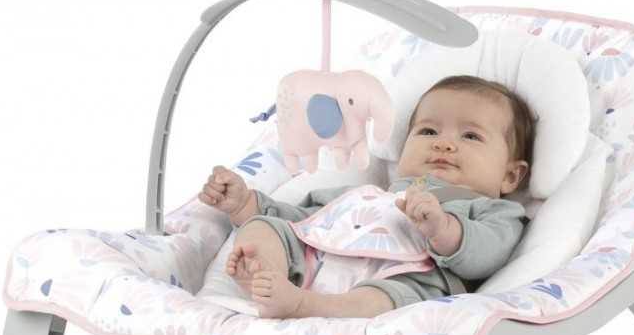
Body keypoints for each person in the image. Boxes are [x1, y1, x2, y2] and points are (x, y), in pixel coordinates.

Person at [198, 75, 536, 319]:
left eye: (471, 136)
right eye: (428, 131)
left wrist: (443, 228)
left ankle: (304, 305)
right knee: (264, 226)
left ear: (510, 175)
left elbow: (487, 254)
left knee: (392, 300)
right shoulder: (369, 195)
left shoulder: (494, 211)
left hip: (400, 279)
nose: (443, 144)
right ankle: (266, 277)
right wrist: (245, 204)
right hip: (317, 262)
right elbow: (306, 220)